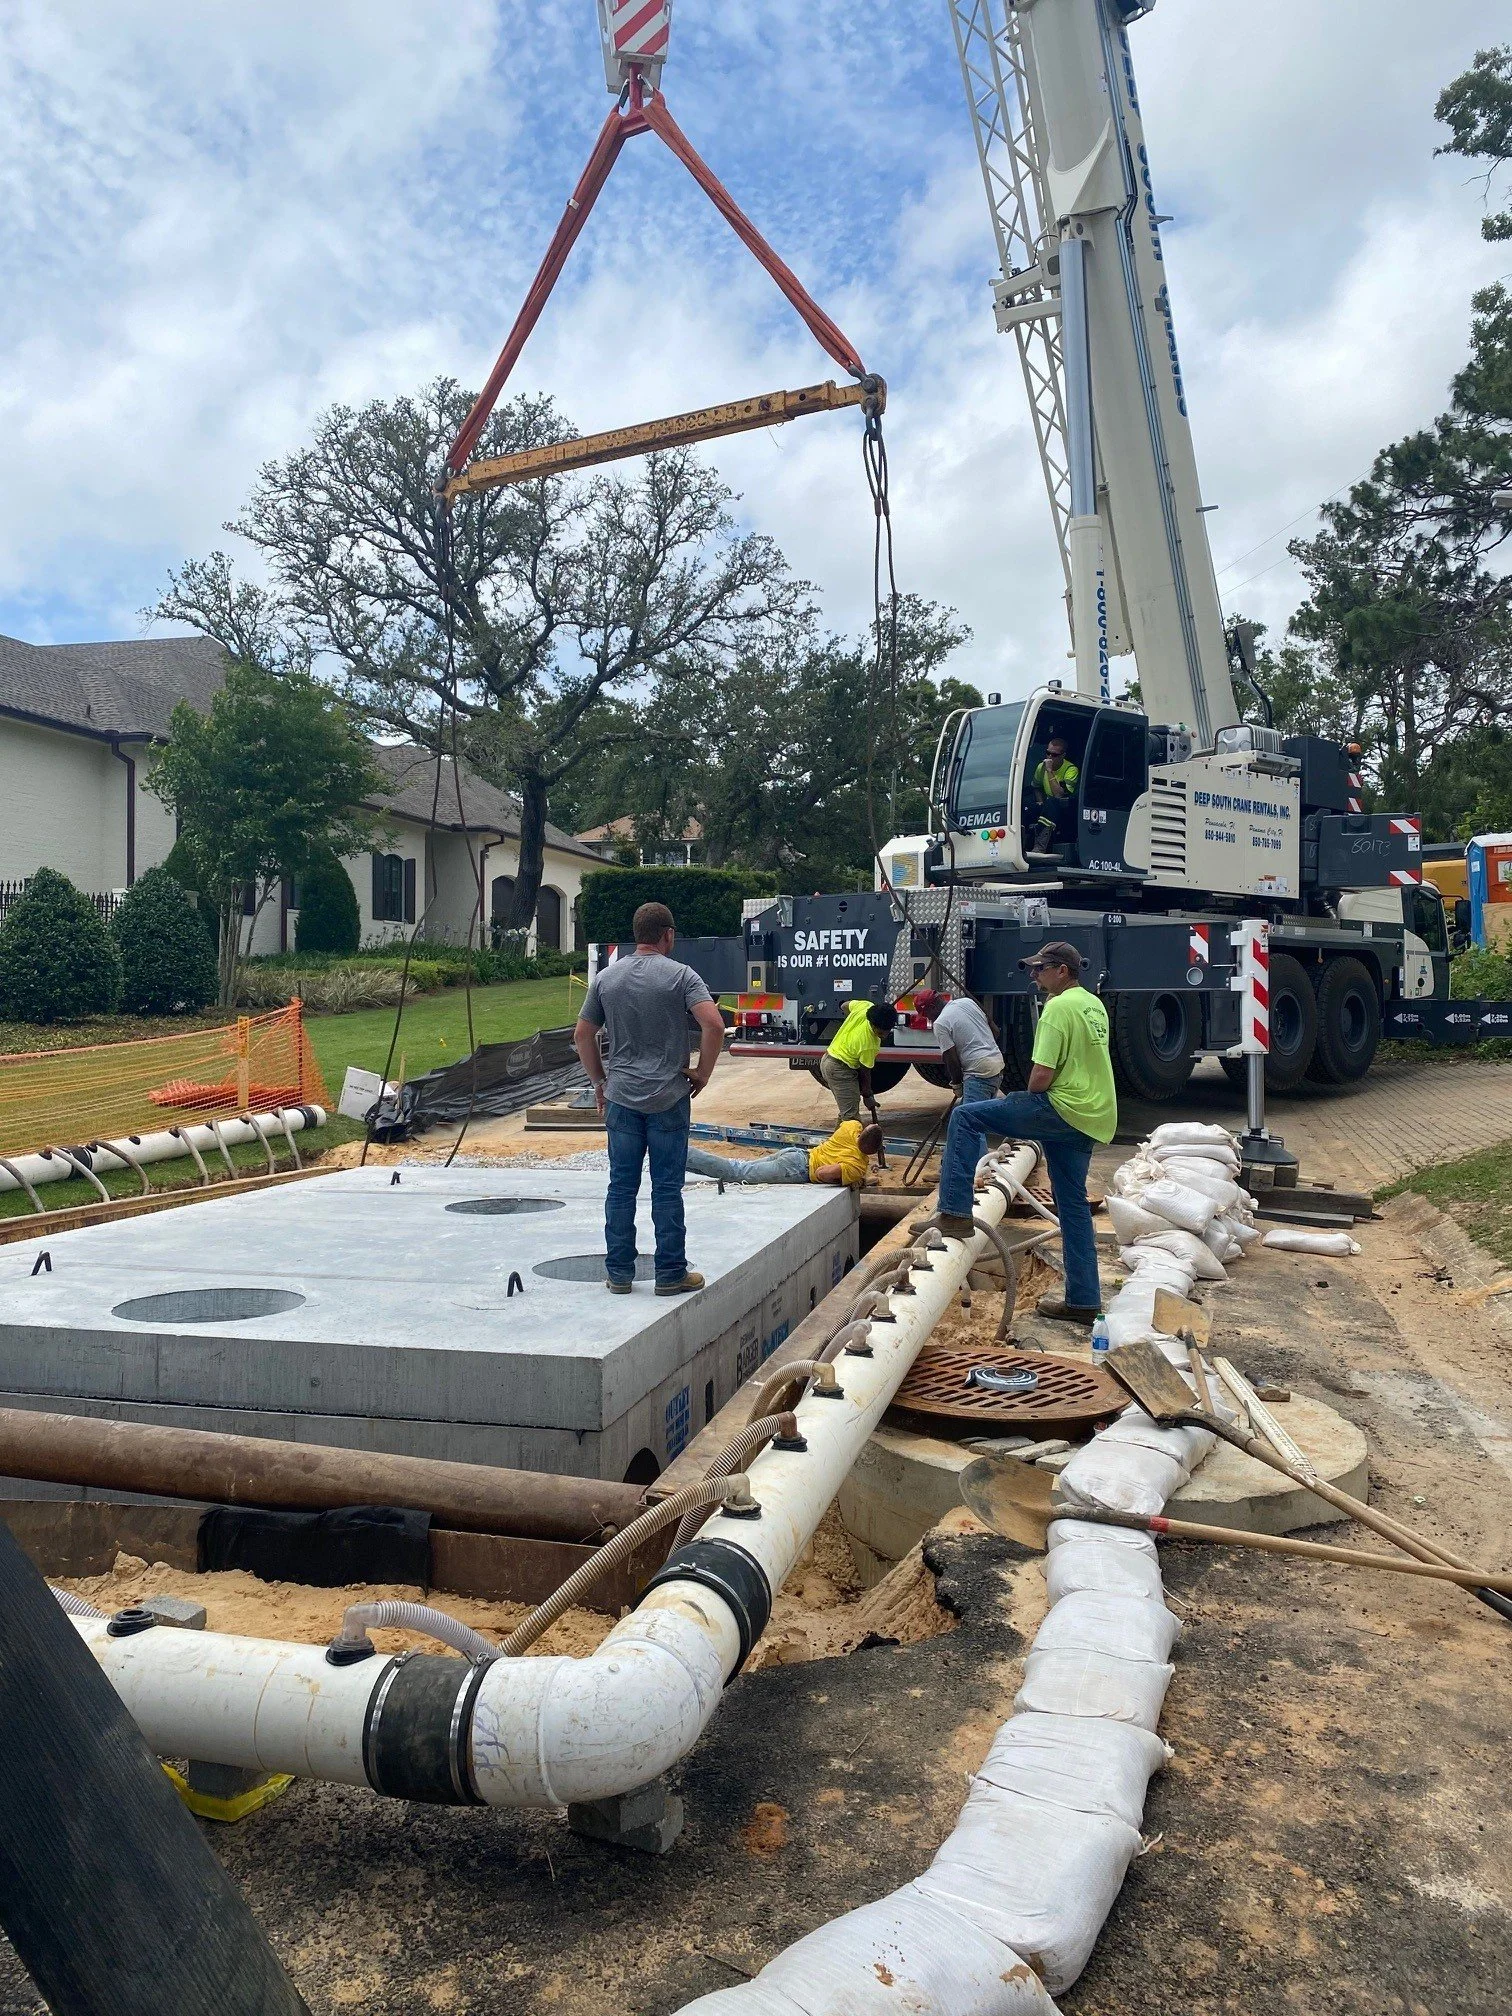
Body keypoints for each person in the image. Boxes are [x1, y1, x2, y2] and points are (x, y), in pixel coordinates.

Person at [933, 941, 1115, 1325]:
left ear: (1061, 970)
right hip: (1092, 1115)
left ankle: (953, 1214)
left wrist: (1021, 1097)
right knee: (1073, 1208)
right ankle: (1083, 1302)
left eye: (1040, 969)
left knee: (965, 1118)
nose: (1033, 976)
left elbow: (1040, 1078)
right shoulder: (1092, 1004)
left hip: (1060, 1107)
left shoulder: (1056, 1008)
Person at [574, 902, 727, 1296]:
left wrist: (599, 1082)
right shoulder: (681, 976)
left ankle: (620, 1275)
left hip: (621, 1099)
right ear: (667, 935)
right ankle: (670, 1273)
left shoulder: (607, 979)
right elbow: (713, 1025)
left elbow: (582, 1035)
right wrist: (703, 1072)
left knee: (621, 1187)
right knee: (666, 1188)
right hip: (669, 1099)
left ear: (636, 933)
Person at [686, 1121, 885, 1188]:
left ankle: (678, 1160)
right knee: (737, 1172)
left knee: (741, 1167)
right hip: (795, 1170)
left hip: (796, 1154)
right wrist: (850, 1177)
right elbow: (824, 1173)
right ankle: (683, 1153)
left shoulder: (851, 1127)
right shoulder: (857, 1167)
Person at [914, 989, 1004, 1104]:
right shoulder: (967, 1002)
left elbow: (951, 1060)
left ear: (932, 1007)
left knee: (969, 1119)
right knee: (980, 1115)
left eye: (926, 1014)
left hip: (979, 1073)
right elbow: (995, 1032)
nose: (928, 1019)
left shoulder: (940, 1024)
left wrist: (957, 1084)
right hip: (997, 1066)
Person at [820, 1000, 899, 1124]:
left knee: (847, 1113)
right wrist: (867, 1096)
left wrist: (851, 1021)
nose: (883, 1036)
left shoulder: (865, 1006)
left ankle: (838, 1142)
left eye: (886, 1032)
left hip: (828, 1060)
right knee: (851, 1120)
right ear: (872, 1025)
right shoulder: (868, 1043)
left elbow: (844, 1006)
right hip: (839, 1070)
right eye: (879, 1033)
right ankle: (845, 1143)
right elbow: (865, 1072)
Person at [1029, 734, 1080, 853]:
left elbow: (1059, 795)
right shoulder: (1040, 767)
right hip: (1048, 804)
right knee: (1028, 806)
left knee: (1052, 802)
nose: (1050, 757)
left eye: (1054, 755)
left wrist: (1050, 771)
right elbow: (1036, 786)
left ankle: (1040, 846)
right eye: (1048, 753)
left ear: (1063, 755)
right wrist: (1040, 801)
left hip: (1067, 808)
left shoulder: (1071, 769)